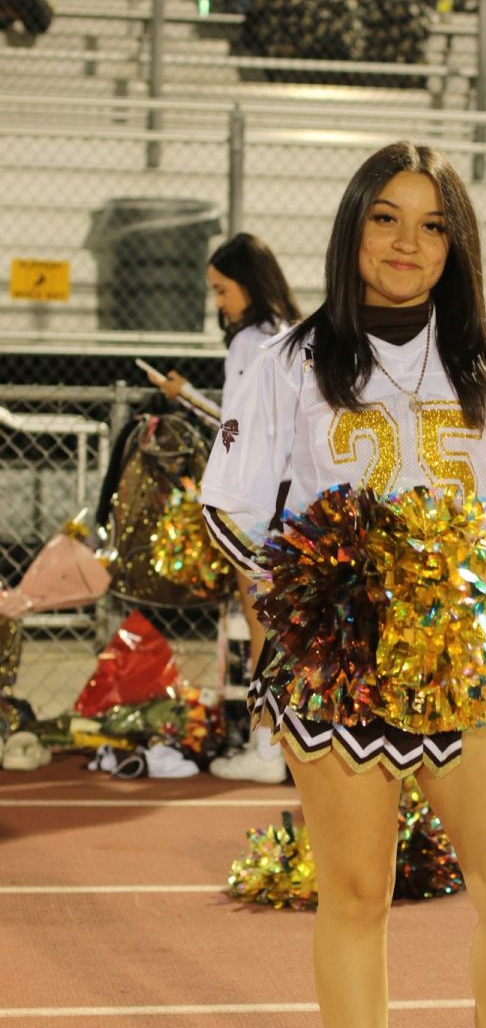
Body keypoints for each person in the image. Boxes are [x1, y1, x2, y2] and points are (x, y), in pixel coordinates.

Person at [200, 140, 486, 1028]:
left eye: (432, 223)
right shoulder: (283, 359)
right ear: (352, 227)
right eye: (385, 218)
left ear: (456, 243)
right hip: (337, 665)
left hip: (457, 653)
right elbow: (230, 509)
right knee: (355, 894)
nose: (407, 243)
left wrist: (454, 592)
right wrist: (305, 609)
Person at [147, 232, 300, 783]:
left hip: (260, 497)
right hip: (296, 494)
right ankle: (284, 741)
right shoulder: (286, 333)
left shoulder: (246, 343)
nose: (218, 303)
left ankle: (265, 746)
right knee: (288, 624)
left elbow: (235, 429)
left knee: (263, 623)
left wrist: (185, 398)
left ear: (248, 284)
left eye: (221, 290)